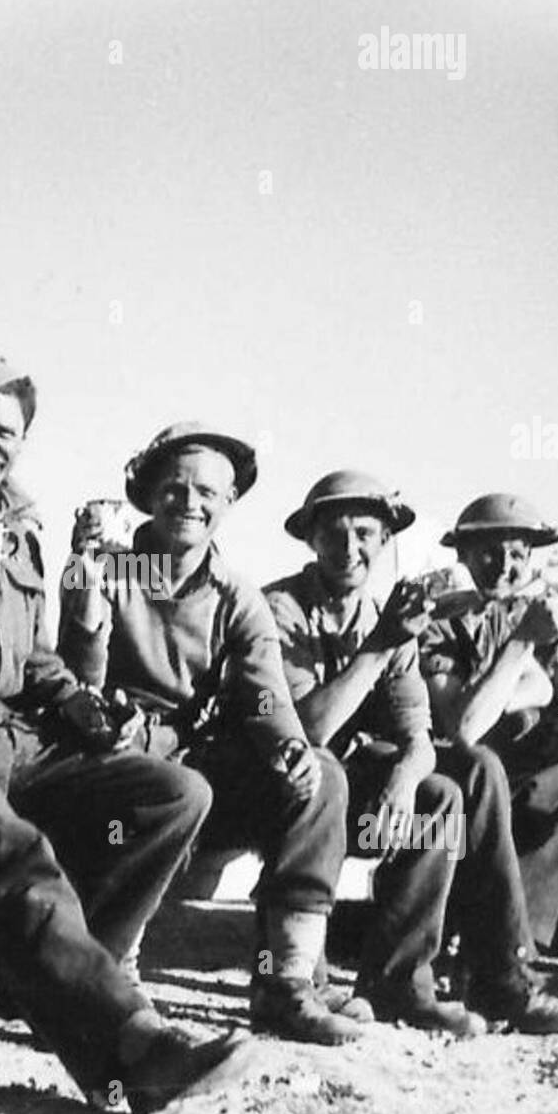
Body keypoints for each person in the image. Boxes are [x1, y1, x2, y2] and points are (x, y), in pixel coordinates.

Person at [0, 350, 256, 1114]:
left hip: (18, 733)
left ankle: (45, 982)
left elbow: (32, 656)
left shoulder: (22, 528)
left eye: (5, 433)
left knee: (173, 792)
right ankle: (132, 1045)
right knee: (14, 854)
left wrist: (77, 703)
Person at [57, 423, 367, 1047]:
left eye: (207, 493)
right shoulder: (110, 566)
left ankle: (285, 984)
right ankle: (112, 976)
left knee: (321, 776)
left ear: (228, 505)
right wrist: (87, 596)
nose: (189, 504)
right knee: (163, 787)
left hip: (193, 766)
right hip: (110, 758)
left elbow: (263, 692)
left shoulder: (236, 595)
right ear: (146, 494)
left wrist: (287, 744)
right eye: (173, 488)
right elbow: (76, 683)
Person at [265, 471, 558, 1035]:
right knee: (357, 772)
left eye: (365, 533)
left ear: (386, 541)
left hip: (355, 777)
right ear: (310, 540)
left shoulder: (388, 614)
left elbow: (418, 731)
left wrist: (406, 777)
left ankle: (424, 980)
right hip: (287, 782)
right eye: (334, 534)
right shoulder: (283, 609)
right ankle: (307, 979)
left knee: (448, 789)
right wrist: (384, 643)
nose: (349, 548)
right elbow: (310, 729)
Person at [422, 493, 558, 953]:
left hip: (504, 771)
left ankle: (524, 944)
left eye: (517, 554)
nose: (504, 566)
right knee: (482, 768)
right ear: (462, 556)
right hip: (450, 773)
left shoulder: (510, 615)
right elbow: (464, 729)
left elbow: (544, 690)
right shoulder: (437, 621)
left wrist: (494, 690)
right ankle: (484, 938)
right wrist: (518, 649)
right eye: (489, 552)